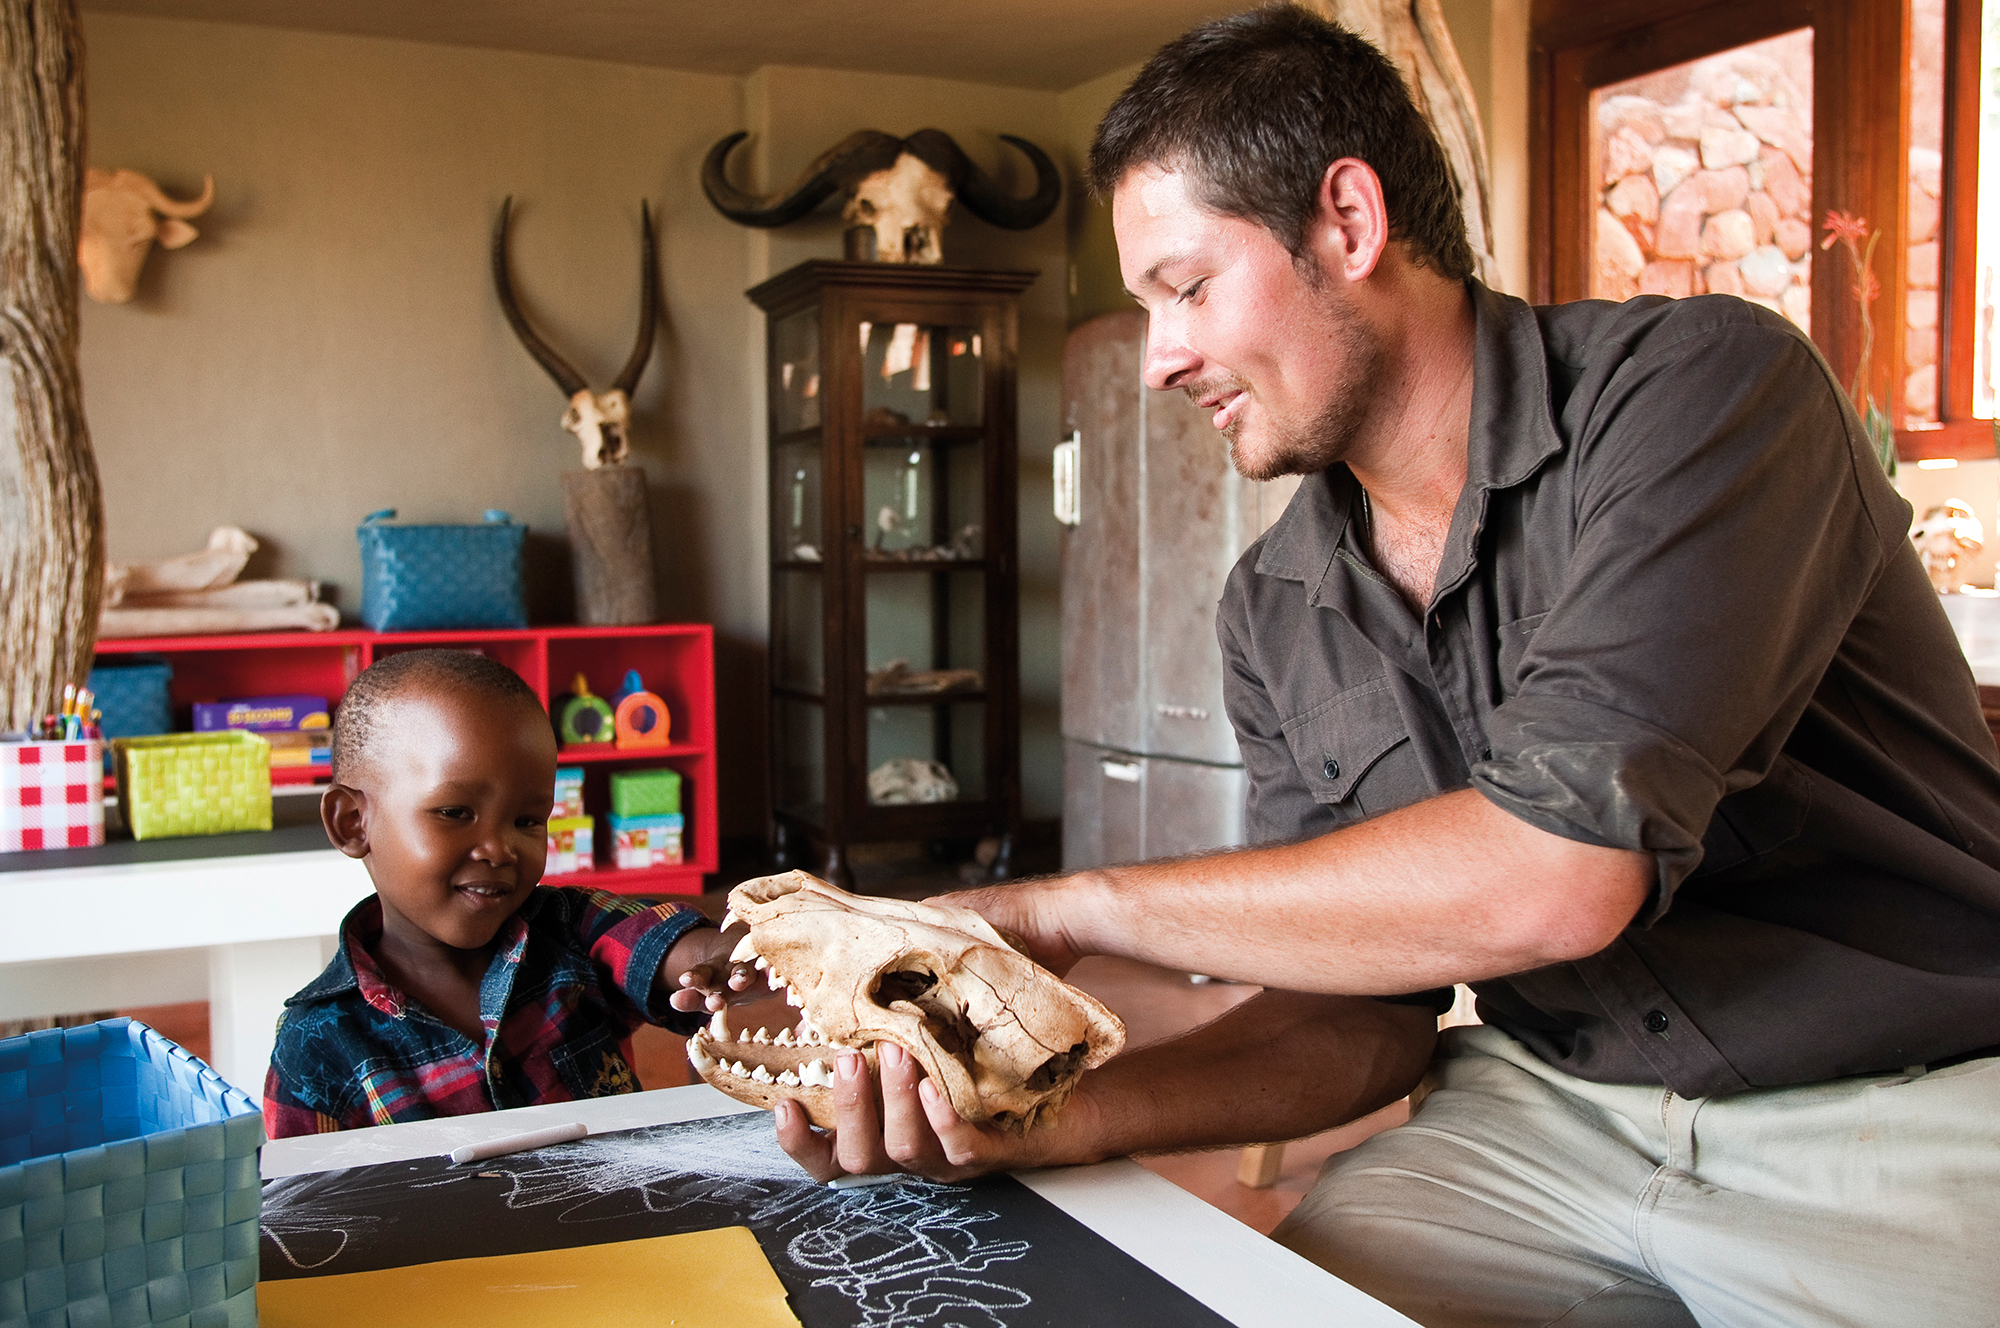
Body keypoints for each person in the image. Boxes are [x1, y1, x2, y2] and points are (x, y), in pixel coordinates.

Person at [774, 9, 2000, 1325]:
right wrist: (1039, 1123)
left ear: (1347, 224)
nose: (1161, 359)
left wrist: (1054, 912)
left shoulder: (1705, 394)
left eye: (1187, 289)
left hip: (1898, 1115)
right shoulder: (1275, 604)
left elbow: (1559, 876)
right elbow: (1358, 1019)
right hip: (1546, 1118)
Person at [264, 649, 753, 1137]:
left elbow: (656, 943)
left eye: (527, 821)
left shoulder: (568, 929)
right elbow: (310, 1206)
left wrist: (723, 955)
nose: (500, 850)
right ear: (353, 823)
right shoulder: (316, 1050)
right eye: (455, 812)